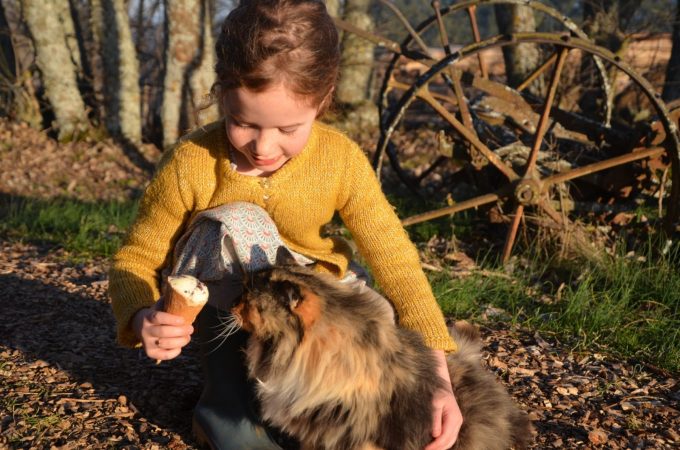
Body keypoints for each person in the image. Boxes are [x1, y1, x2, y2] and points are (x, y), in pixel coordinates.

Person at [109, 0, 463, 448]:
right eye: (242, 122)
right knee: (237, 222)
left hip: (310, 303)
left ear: (323, 98)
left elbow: (395, 260)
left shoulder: (341, 160)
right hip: (231, 307)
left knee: (374, 328)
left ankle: (305, 401)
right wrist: (142, 315)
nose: (263, 146)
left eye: (289, 128)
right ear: (220, 92)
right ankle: (228, 402)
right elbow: (135, 259)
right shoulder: (192, 162)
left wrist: (438, 380)